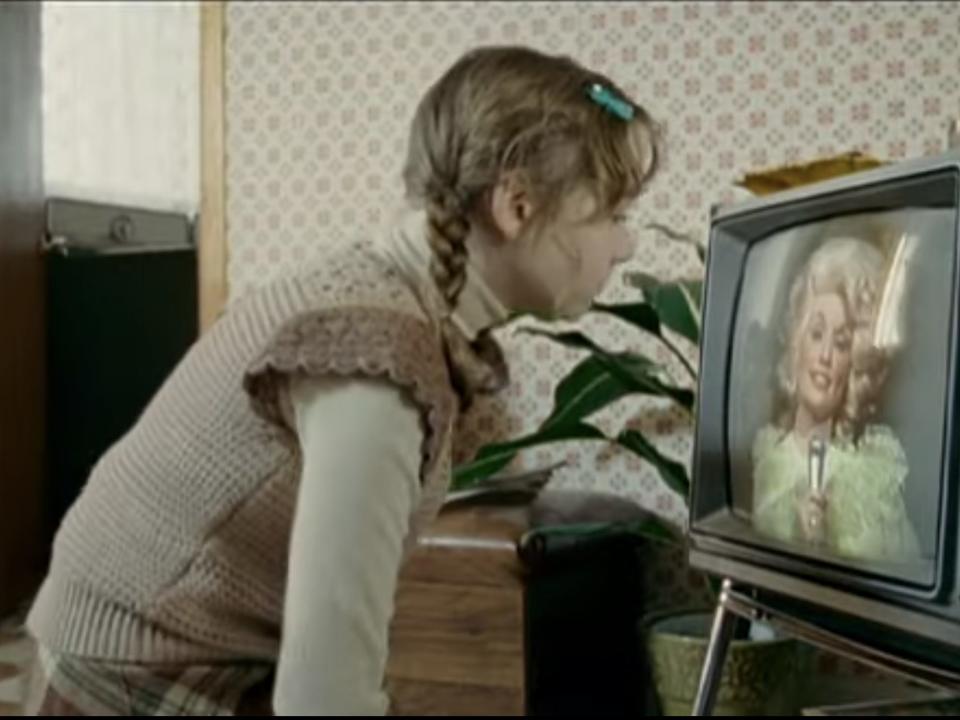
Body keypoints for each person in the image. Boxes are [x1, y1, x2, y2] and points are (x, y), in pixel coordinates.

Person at [23, 46, 659, 715]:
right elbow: (323, 698)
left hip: (157, 648)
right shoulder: (378, 360)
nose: (627, 245)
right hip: (135, 674)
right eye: (613, 214)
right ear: (517, 206)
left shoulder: (394, 307)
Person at [752, 236, 920, 564]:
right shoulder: (769, 461)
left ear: (855, 366)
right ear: (795, 343)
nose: (826, 356)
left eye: (842, 343)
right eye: (816, 334)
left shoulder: (874, 468)